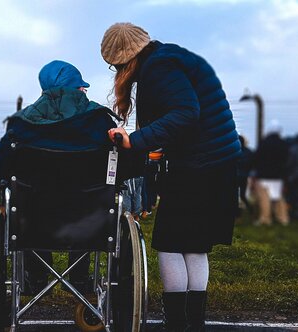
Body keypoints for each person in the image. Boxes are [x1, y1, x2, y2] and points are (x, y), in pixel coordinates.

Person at [101, 22, 241, 331]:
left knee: (169, 242)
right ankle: (194, 322)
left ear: (126, 59)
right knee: (194, 244)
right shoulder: (171, 59)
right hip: (217, 163)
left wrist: (133, 141)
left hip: (198, 165)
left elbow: (185, 113)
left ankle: (177, 322)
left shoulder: (159, 68)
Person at [0, 60, 135, 298]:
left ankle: (35, 278)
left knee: (28, 204)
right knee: (90, 201)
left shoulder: (21, 124)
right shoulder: (100, 121)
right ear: (77, 88)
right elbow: (124, 167)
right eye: (82, 87)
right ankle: (79, 279)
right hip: (89, 221)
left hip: (32, 221)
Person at [252, 120, 290, 226]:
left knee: (265, 198)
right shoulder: (283, 144)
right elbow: (287, 159)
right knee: (278, 197)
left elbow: (256, 158)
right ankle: (283, 218)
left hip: (264, 175)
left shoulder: (264, 143)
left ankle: (265, 218)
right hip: (278, 175)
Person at [237, 136, 254, 217]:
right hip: (244, 176)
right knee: (243, 195)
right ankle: (251, 211)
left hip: (235, 176)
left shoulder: (234, 152)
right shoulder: (249, 152)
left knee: (234, 196)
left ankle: (238, 214)